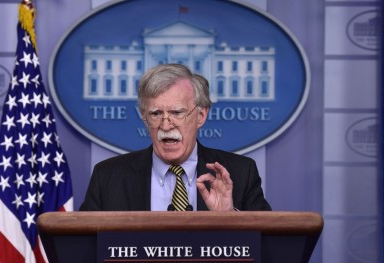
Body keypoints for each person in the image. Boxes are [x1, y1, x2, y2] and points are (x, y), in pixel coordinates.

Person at [80, 63, 271, 211]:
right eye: (155, 114)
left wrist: (230, 218)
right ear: (145, 118)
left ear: (201, 116)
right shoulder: (107, 177)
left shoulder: (241, 173)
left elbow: (268, 248)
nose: (165, 125)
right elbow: (85, 251)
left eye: (177, 112)